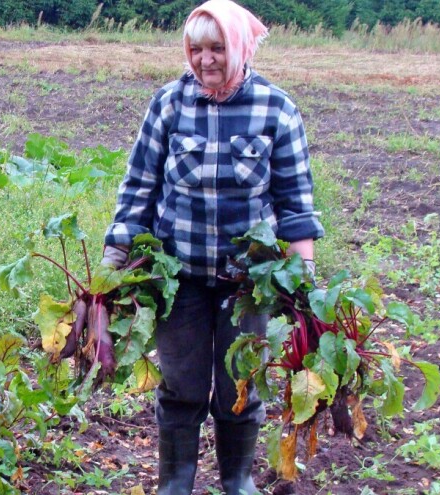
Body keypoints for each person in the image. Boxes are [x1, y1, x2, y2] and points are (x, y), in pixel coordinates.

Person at [101, 1, 325, 493]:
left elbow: (295, 203)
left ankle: (237, 480)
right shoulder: (169, 104)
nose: (205, 60)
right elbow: (139, 188)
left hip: (248, 284)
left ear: (239, 48)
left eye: (217, 48)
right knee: (180, 384)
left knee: (239, 384)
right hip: (179, 278)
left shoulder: (276, 109)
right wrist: (114, 262)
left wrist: (303, 278)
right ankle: (175, 483)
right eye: (196, 49)